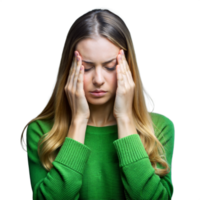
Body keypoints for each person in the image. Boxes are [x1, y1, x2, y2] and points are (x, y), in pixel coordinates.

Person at [18, 6, 175, 200]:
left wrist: (125, 119)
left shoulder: (159, 128)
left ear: (128, 68)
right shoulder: (41, 132)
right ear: (69, 69)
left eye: (110, 67)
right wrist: (78, 121)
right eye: (86, 67)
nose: (98, 79)